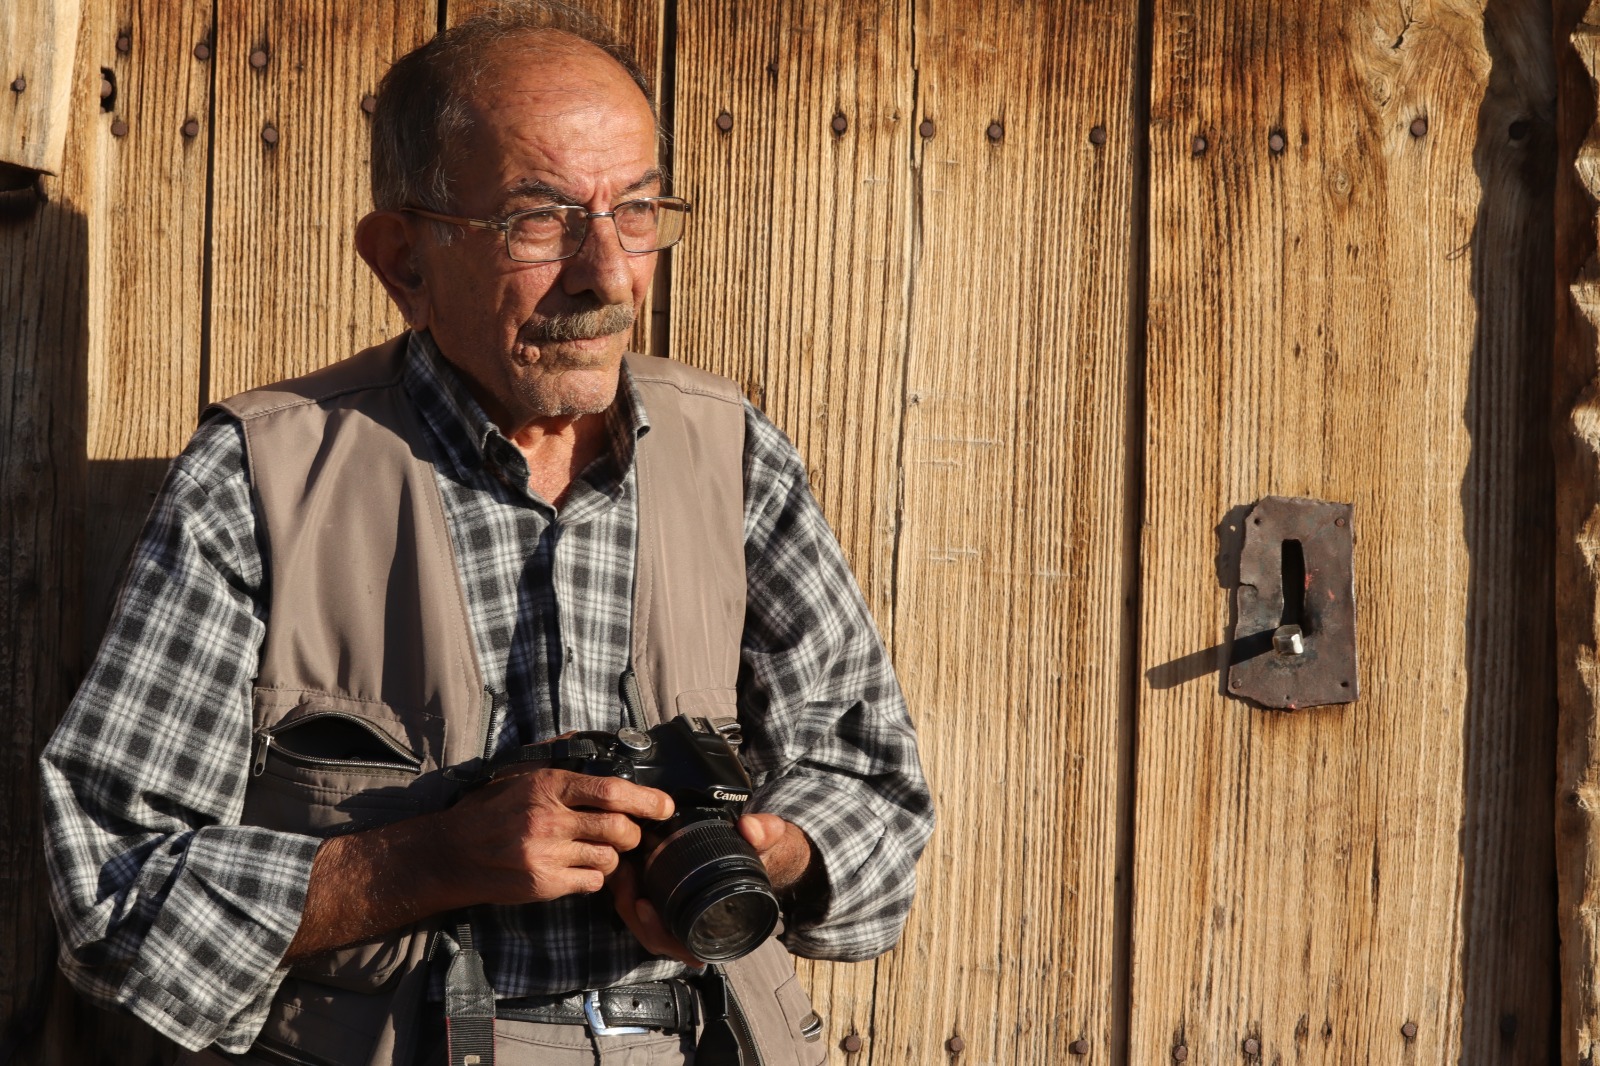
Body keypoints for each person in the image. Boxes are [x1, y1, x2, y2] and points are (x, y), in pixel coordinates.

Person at [38, 3, 933, 1065]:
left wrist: (772, 853)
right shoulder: (261, 480)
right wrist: (421, 863)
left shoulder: (733, 457)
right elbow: (112, 890)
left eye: (637, 209)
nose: (608, 274)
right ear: (404, 260)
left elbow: (874, 793)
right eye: (539, 220)